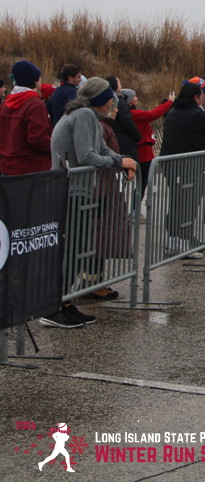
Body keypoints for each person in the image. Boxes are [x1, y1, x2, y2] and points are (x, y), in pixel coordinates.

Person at [44, 77, 137, 328]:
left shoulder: (86, 116)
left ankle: (64, 303)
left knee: (77, 248)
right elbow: (86, 155)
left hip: (78, 190)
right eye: (110, 101)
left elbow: (103, 150)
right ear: (102, 100)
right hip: (72, 191)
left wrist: (124, 160)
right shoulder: (84, 115)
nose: (112, 105)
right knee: (73, 249)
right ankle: (55, 306)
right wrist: (118, 162)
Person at [159, 81, 205, 259]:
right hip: (189, 164)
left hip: (170, 163)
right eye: (202, 96)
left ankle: (174, 241)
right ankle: (182, 243)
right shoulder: (196, 115)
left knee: (176, 202)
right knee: (188, 204)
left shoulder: (172, 111)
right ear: (196, 97)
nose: (204, 99)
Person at [0, 60, 52, 176]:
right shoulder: (36, 105)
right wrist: (55, 147)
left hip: (7, 167)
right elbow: (38, 139)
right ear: (35, 80)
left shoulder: (5, 103)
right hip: (31, 169)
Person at [127, 89, 174, 201]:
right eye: (134, 97)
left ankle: (135, 206)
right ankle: (135, 207)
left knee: (143, 181)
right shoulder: (134, 114)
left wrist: (164, 105)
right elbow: (152, 114)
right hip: (142, 152)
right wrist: (169, 103)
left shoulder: (131, 113)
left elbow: (149, 117)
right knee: (143, 181)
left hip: (144, 150)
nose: (136, 98)